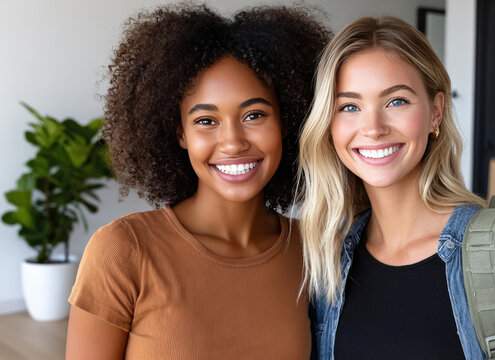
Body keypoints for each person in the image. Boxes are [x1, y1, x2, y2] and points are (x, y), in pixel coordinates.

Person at [297, 16, 495, 359]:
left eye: (396, 101)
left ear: (436, 113)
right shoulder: (329, 262)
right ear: (329, 125)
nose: (372, 127)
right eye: (349, 106)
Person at [66, 4, 329, 359]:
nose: (233, 142)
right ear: (180, 133)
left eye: (254, 115)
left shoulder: (310, 250)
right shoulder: (123, 251)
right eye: (206, 120)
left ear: (287, 123)